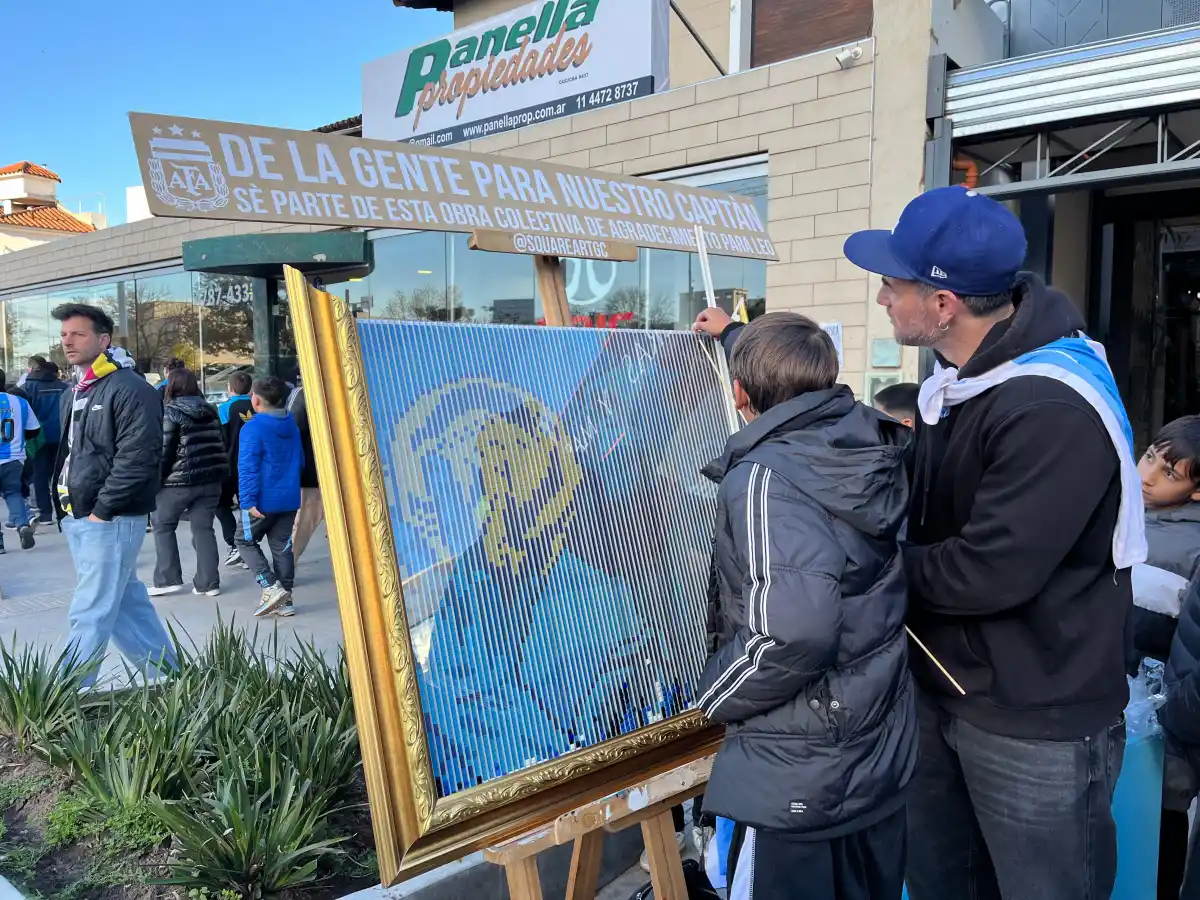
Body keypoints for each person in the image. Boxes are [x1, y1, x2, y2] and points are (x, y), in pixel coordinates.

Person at [846, 187, 1139, 900]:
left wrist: (861, 568)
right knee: (945, 882)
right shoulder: (964, 380)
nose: (882, 297)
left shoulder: (1049, 405)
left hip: (1032, 719)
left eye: (893, 282)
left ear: (943, 305)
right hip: (947, 690)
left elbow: (988, 571)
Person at [697, 312, 915, 900]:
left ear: (740, 394)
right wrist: (731, 335)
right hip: (873, 748)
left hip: (802, 763)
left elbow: (793, 633)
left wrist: (712, 696)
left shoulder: (766, 477)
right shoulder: (868, 442)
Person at [50, 303, 177, 686]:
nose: (68, 341)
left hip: (110, 518)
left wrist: (102, 511)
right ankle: (174, 679)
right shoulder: (76, 390)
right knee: (124, 605)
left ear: (103, 340)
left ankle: (63, 698)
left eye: (78, 334)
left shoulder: (130, 388)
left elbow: (137, 460)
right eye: (64, 335)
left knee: (91, 608)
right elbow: (73, 453)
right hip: (80, 517)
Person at [148, 368, 229, 598]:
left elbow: (166, 452)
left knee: (163, 525)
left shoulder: (170, 412)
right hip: (211, 480)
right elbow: (220, 443)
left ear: (171, 386)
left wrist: (157, 480)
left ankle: (167, 579)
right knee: (204, 529)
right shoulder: (211, 409)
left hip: (178, 482)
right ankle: (208, 583)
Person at [235, 376, 303, 618]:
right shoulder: (291, 425)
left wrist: (247, 500)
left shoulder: (252, 427)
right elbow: (301, 461)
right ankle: (286, 599)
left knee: (243, 541)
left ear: (255, 400)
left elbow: (248, 467)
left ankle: (270, 587)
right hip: (289, 497)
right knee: (282, 546)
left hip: (263, 499)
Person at [22, 358, 69, 525]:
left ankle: (46, 514)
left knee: (40, 476)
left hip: (39, 438)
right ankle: (63, 512)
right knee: (61, 475)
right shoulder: (64, 387)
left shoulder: (28, 387)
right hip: (62, 436)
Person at [216, 371, 254, 569]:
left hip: (230, 466)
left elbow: (221, 438)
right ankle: (249, 547)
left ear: (229, 389)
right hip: (251, 466)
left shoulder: (224, 408)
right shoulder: (256, 406)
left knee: (220, 504)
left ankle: (235, 544)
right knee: (246, 507)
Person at [0, 369, 40, 552]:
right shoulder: (19, 401)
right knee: (13, 493)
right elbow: (34, 431)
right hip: (14, 458)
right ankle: (22, 525)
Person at [286, 372, 324, 565]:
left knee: (301, 527)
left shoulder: (302, 394)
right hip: (342, 474)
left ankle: (285, 572)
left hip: (313, 473)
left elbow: (291, 430)